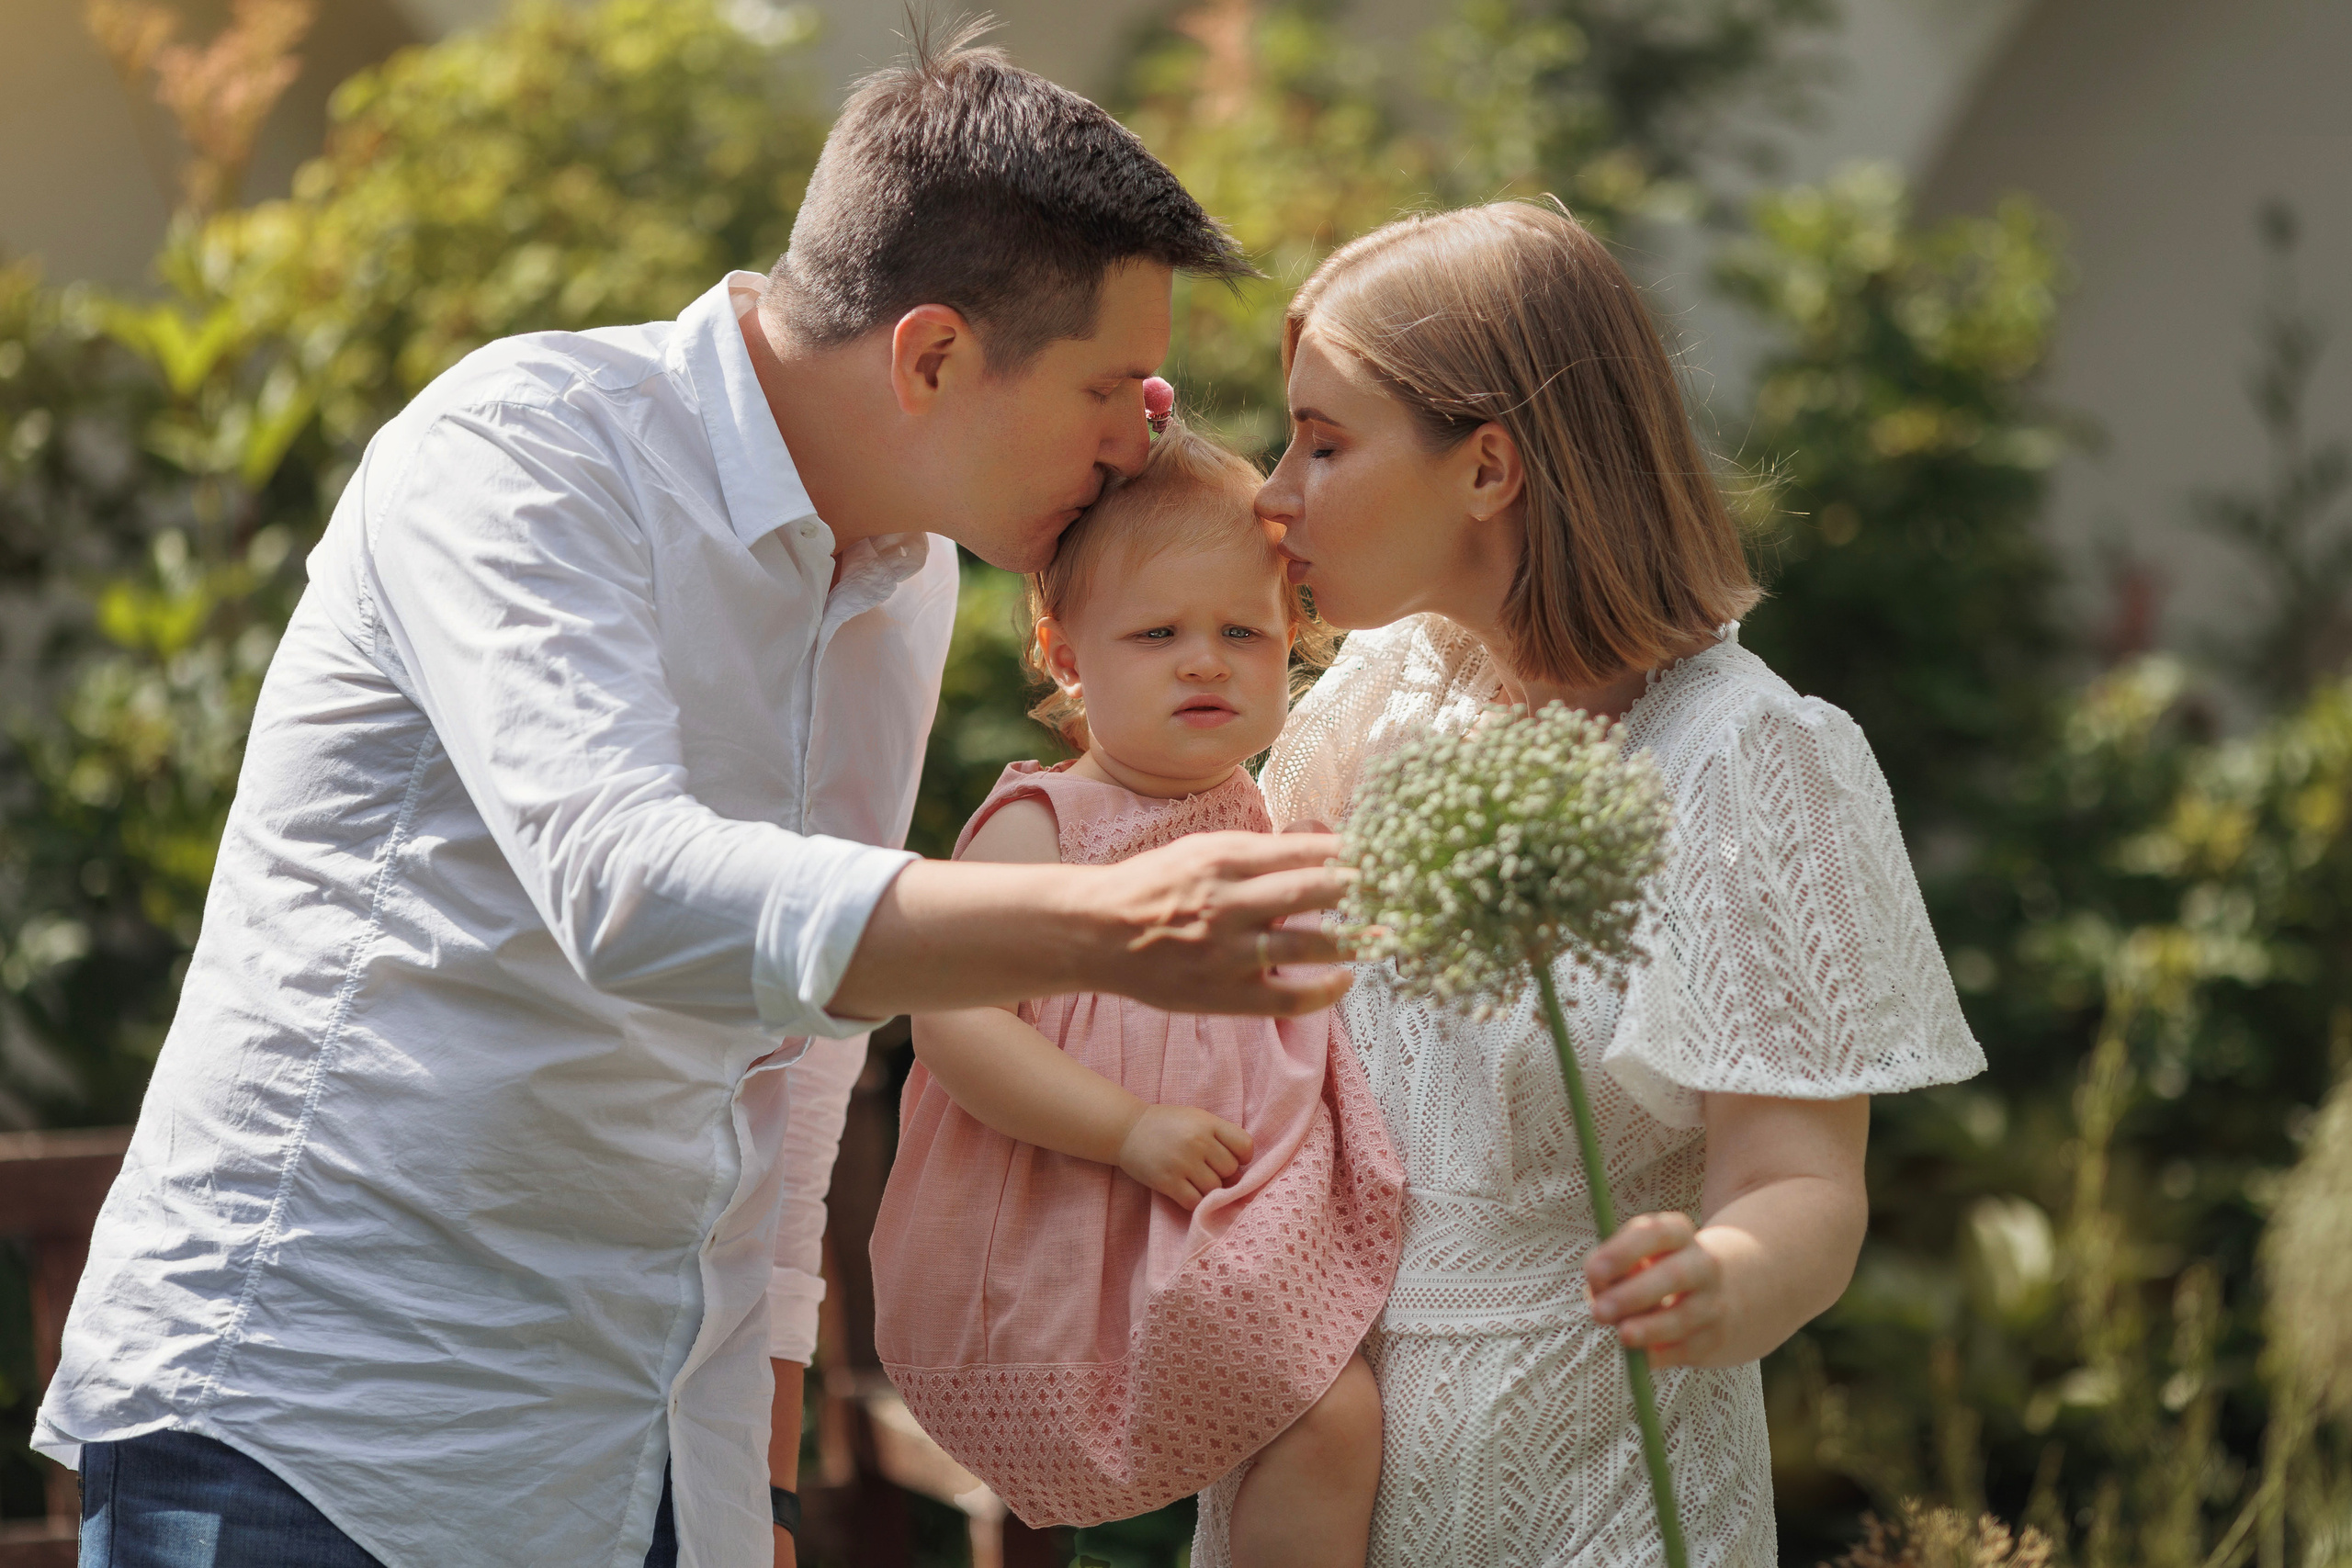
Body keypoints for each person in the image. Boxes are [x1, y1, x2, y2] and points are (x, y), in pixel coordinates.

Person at [35, 33, 1356, 1568]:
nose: (1145, 435)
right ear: (930, 358)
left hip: (654, 1464)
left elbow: (794, 1057)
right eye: (1104, 390)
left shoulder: (909, 577)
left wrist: (761, 1472)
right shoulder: (526, 449)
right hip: (318, 1430)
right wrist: (1108, 923)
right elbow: (632, 888)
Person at [1200, 200, 1991, 1565]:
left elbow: (1804, 1181)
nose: (1273, 492)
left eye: (1323, 443)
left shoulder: (1746, 757)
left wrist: (1720, 1278)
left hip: (1597, 1486)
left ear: (1489, 467)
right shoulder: (1386, 698)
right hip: (1310, 1476)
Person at [868, 423, 1404, 1567]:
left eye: (1242, 632)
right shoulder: (1042, 826)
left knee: (1334, 1418)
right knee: (1318, 1417)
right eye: (1157, 632)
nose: (1204, 660)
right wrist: (1125, 1128)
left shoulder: (1264, 818)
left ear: (1291, 643)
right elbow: (955, 1024)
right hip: (1083, 1222)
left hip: (1225, 1208)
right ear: (1066, 654)